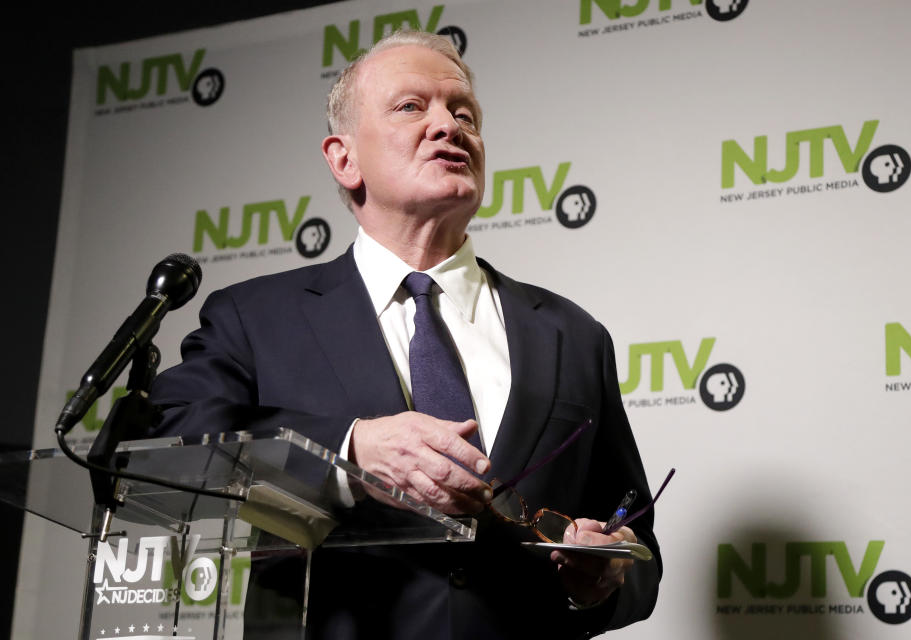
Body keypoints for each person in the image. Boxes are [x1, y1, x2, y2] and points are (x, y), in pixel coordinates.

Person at [151, 30, 661, 640]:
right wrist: (350, 448)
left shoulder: (574, 336)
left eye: (463, 112)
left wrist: (603, 579)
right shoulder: (256, 316)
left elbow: (638, 547)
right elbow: (167, 437)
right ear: (344, 158)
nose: (448, 126)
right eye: (411, 107)